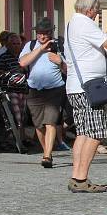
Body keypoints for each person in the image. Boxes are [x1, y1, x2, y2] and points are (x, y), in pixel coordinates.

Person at [65, 0, 107, 193]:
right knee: (96, 132)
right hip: (88, 88)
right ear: (90, 9)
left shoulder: (74, 23)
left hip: (77, 86)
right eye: (96, 9)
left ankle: (76, 176)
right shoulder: (84, 23)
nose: (97, 12)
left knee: (83, 132)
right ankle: (81, 178)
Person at [19, 18, 67, 168]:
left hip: (54, 90)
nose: (41, 36)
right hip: (34, 90)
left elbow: (67, 70)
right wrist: (40, 50)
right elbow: (22, 63)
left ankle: (47, 156)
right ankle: (47, 151)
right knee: (38, 125)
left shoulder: (59, 46)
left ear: (50, 32)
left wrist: (60, 61)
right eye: (39, 33)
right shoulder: (31, 45)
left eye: (44, 33)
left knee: (50, 122)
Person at [0, 33, 28, 145]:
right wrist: (11, 73)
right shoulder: (3, 57)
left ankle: (21, 138)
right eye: (13, 44)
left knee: (22, 116)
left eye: (18, 43)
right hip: (10, 89)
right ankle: (16, 140)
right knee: (16, 115)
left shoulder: (24, 56)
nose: (16, 46)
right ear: (8, 45)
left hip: (23, 89)